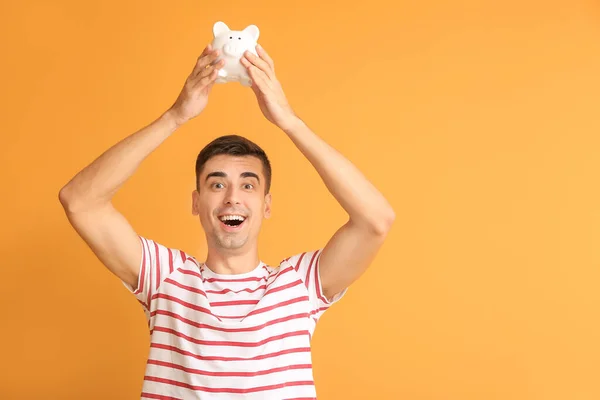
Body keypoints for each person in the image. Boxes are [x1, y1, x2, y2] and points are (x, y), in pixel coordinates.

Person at [59, 43, 395, 399]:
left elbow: (375, 220)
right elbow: (80, 201)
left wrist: (289, 121)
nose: (233, 197)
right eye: (217, 184)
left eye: (248, 185)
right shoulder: (165, 277)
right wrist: (175, 116)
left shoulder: (299, 285)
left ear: (266, 205)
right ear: (196, 202)